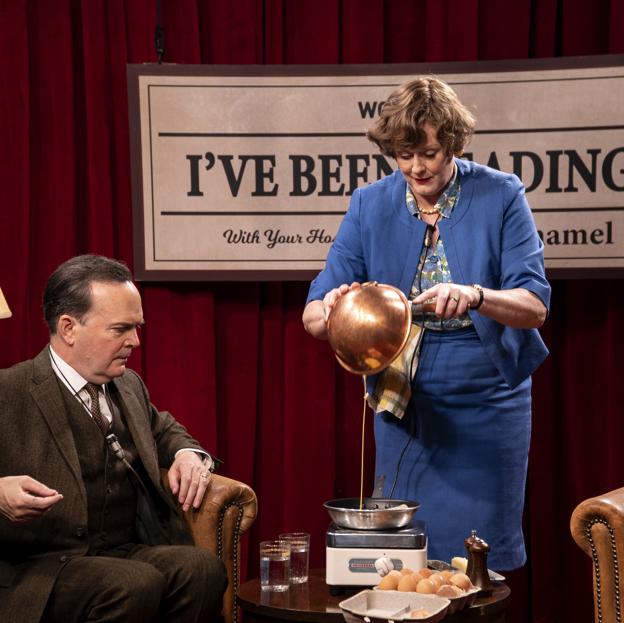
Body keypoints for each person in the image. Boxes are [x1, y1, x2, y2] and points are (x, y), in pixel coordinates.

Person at [302, 77, 550, 571]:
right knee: (402, 557)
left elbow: (534, 305)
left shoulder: (501, 195)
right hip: (406, 402)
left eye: (430, 153)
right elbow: (312, 314)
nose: (416, 167)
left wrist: (475, 295)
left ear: (453, 144)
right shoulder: (370, 203)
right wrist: (333, 308)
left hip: (488, 398)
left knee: (480, 563)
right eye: (403, 154)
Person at [0, 255, 227, 623]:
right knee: (131, 583)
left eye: (136, 328)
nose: (135, 341)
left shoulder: (128, 384)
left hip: (123, 550)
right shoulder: (8, 391)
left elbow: (163, 428)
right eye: (120, 329)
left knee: (201, 569)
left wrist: (186, 453)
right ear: (69, 328)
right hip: (40, 565)